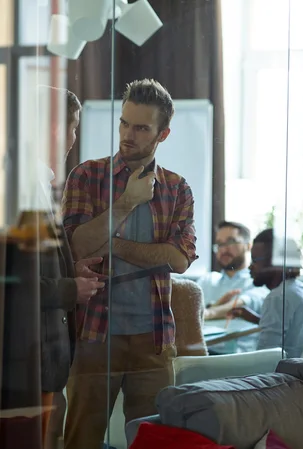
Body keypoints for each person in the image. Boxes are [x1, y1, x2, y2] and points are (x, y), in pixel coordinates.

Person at [61, 78, 198, 449]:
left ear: (162, 134)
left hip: (154, 339)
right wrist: (126, 203)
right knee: (80, 441)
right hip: (94, 336)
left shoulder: (177, 188)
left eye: (141, 127)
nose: (128, 134)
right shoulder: (87, 176)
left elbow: (179, 259)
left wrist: (113, 244)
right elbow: (75, 247)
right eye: (124, 123)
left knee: (152, 442)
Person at [36, 86, 105, 448]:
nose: (73, 139)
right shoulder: (22, 187)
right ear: (52, 127)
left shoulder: (38, 183)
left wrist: (72, 271)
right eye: (73, 127)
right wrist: (70, 289)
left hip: (45, 365)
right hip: (31, 364)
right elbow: (13, 282)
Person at [228, 228, 303, 358]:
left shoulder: (278, 297)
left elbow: (264, 358)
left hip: (286, 375)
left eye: (255, 260)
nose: (250, 267)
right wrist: (258, 320)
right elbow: (293, 333)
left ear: (276, 263)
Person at [197, 221, 268, 321]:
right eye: (219, 244)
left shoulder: (258, 281)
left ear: (248, 246)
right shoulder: (207, 280)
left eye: (230, 242)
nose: (223, 249)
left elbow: (244, 302)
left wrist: (209, 312)